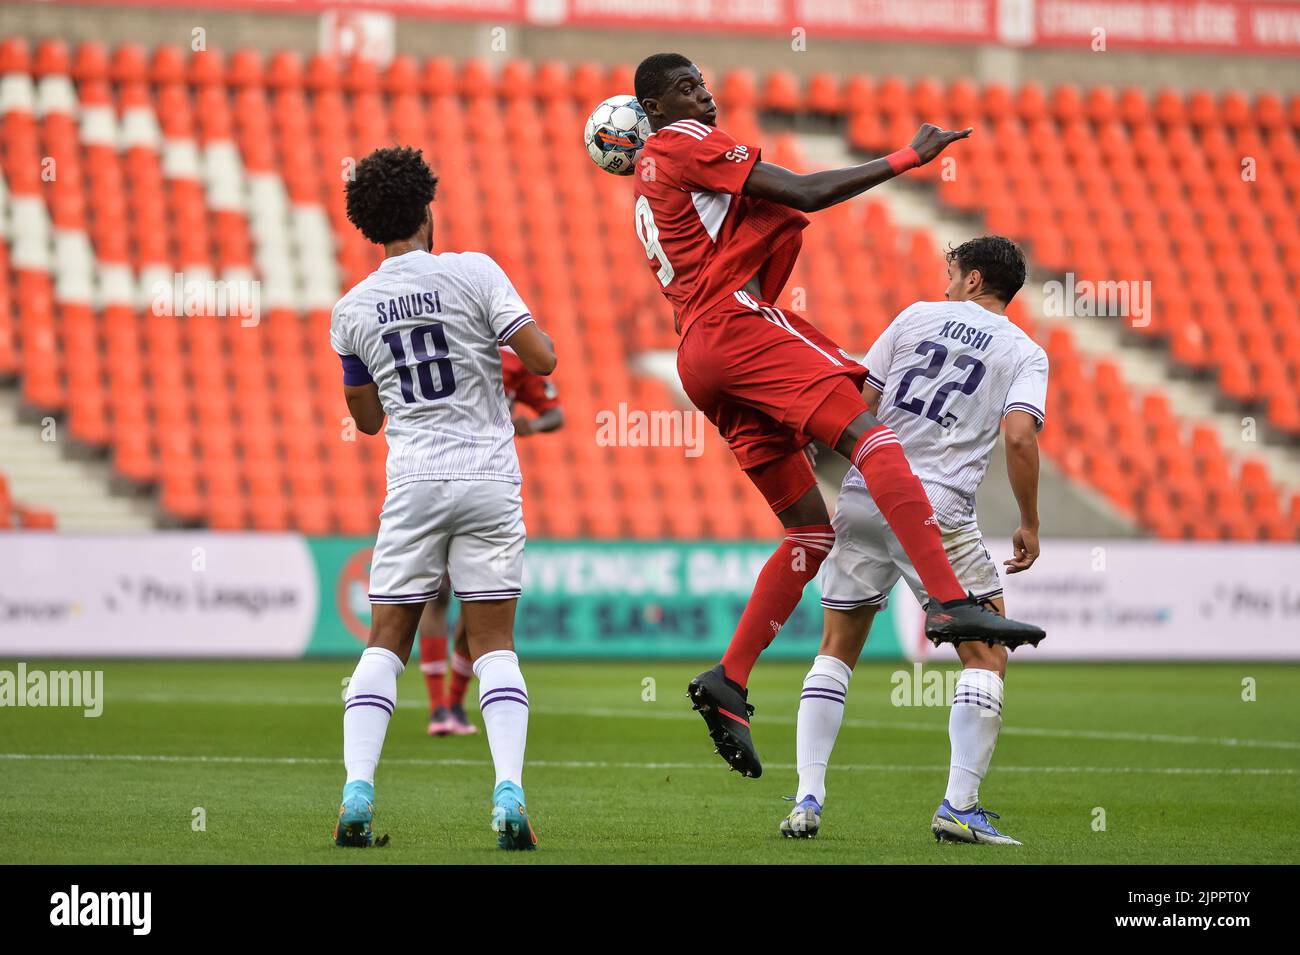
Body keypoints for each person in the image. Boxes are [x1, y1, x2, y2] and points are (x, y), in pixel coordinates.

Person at [630, 53, 1044, 778]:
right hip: (735, 325)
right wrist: (909, 156)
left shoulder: (664, 168)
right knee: (873, 437)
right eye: (686, 88)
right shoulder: (682, 144)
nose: (706, 94)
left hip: (700, 352)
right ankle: (948, 602)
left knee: (809, 530)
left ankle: (729, 677)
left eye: (704, 83)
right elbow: (806, 190)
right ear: (655, 110)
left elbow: (760, 213)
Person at [781, 236, 1046, 844]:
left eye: (952, 273)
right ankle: (959, 808)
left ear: (977, 279)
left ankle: (807, 800)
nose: (946, 282)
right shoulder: (1025, 353)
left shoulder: (913, 317)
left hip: (866, 490)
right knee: (986, 653)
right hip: (937, 509)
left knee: (837, 644)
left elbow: (861, 400)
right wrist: (1029, 520)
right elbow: (1020, 439)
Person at [329, 146, 556, 850]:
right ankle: (509, 792)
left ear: (368, 227)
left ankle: (357, 793)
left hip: (415, 481)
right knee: (493, 644)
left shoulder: (351, 309)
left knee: (386, 639)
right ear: (430, 209)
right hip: (489, 476)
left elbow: (367, 422)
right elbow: (543, 358)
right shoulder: (475, 270)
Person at [420, 347, 564, 737]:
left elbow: (555, 413)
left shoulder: (516, 357)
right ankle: (437, 708)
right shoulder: (446, 341)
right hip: (436, 475)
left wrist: (529, 427)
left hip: (487, 484)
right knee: (436, 594)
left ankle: (453, 702)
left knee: (475, 602)